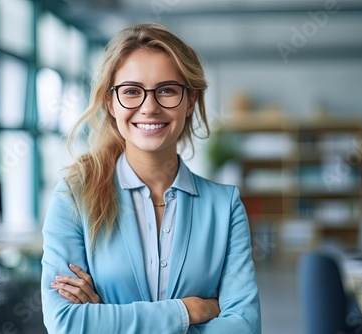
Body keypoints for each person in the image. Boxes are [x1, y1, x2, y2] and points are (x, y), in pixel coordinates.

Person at [41, 23, 261, 334]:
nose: (150, 107)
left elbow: (245, 327)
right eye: (131, 91)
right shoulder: (74, 198)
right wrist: (188, 311)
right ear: (110, 102)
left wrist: (106, 317)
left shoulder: (225, 207)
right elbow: (65, 323)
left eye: (167, 90)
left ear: (191, 102)